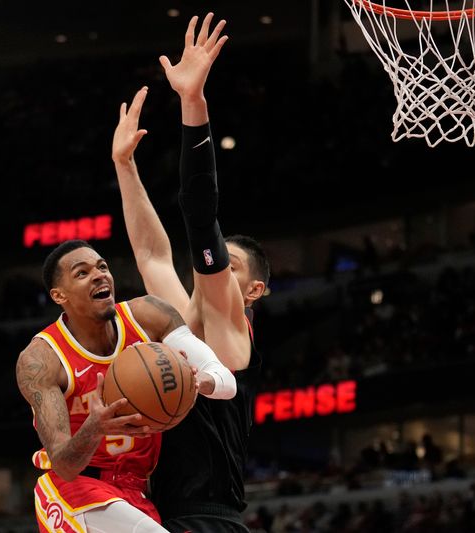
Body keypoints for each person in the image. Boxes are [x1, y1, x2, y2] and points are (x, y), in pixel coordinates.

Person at [112, 13, 269, 532]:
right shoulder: (182, 323)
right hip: (167, 515)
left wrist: (192, 103)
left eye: (232, 263)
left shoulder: (230, 331)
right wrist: (125, 167)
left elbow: (200, 216)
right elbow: (154, 256)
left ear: (253, 290)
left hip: (211, 520)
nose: (221, 266)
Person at [15, 239, 236, 533]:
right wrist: (94, 428)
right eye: (82, 273)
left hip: (137, 495)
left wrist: (198, 381)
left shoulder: (148, 316)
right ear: (59, 295)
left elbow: (226, 380)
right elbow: (65, 466)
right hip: (75, 492)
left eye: (102, 266)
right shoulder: (42, 359)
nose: (99, 275)